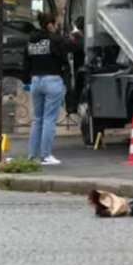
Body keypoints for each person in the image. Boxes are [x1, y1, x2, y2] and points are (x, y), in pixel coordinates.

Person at [21, 11, 81, 165]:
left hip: (36, 81)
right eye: (56, 24)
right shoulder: (54, 40)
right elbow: (75, 46)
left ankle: (32, 156)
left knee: (37, 120)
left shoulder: (32, 41)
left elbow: (25, 63)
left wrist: (26, 79)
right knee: (49, 120)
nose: (58, 27)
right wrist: (77, 35)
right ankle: (46, 155)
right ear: (50, 25)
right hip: (52, 80)